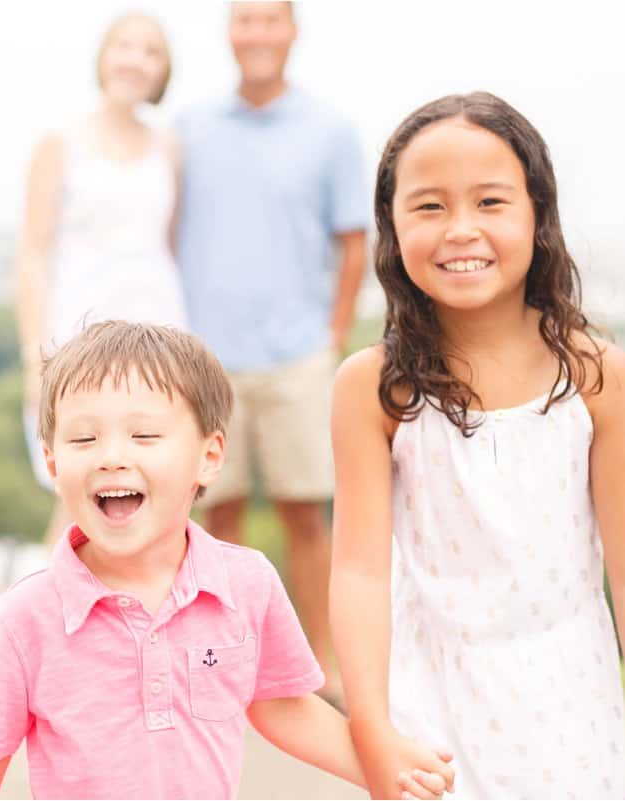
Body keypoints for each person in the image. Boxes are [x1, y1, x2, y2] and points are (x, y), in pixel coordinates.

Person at [329, 93, 625, 799]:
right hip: (426, 700)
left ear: (537, 214)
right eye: (429, 206)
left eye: (490, 202)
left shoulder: (599, 376)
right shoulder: (372, 385)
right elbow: (361, 573)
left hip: (569, 703)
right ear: (391, 229)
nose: (461, 230)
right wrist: (372, 726)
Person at [0, 321, 453, 799]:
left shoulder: (246, 584)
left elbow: (281, 705)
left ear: (208, 456)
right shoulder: (25, 616)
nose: (112, 456)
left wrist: (390, 770)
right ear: (53, 463)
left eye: (143, 436)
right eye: (83, 439)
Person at [176, 0, 369, 707]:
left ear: (292, 32)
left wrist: (332, 332)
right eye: (245, 19)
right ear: (230, 32)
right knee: (213, 518)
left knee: (303, 516)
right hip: (207, 359)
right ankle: (220, 663)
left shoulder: (330, 131)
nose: (257, 33)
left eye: (270, 19)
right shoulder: (189, 130)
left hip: (295, 356)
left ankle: (320, 668)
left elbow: (354, 240)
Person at [15, 12, 187, 548]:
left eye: (150, 51)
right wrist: (34, 356)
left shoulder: (170, 149)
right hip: (78, 335)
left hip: (157, 339)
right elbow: (33, 254)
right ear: (103, 57)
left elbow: (169, 247)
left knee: (156, 492)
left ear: (162, 72)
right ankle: (47, 629)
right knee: (75, 497)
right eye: (124, 46)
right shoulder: (61, 142)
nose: (134, 60)